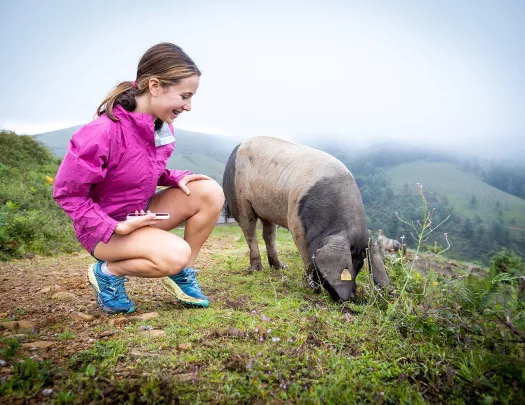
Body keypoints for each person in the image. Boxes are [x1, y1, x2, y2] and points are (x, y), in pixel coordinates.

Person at [53, 43, 225, 315]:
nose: (189, 106)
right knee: (175, 252)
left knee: (207, 191)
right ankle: (108, 273)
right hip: (104, 231)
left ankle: (181, 270)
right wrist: (113, 226)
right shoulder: (101, 133)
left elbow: (139, 168)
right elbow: (68, 194)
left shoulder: (161, 126)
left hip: (139, 215)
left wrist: (175, 176)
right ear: (155, 86)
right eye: (184, 96)